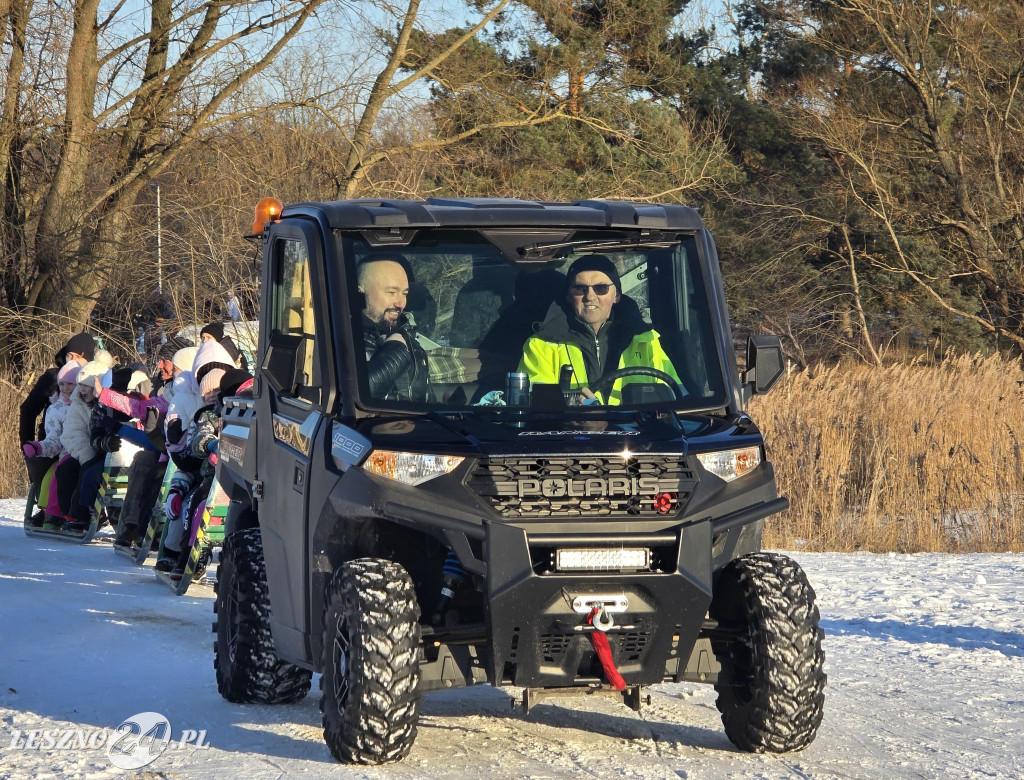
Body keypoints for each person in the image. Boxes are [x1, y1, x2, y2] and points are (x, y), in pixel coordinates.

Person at [518, 255, 680, 405]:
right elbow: (534, 409)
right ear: (568, 295)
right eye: (580, 288)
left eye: (600, 288)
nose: (590, 296)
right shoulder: (541, 346)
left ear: (616, 295)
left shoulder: (646, 341)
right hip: (568, 434)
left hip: (636, 435)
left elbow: (677, 399)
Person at [19, 333, 97, 525]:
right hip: (52, 441)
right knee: (46, 467)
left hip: (82, 442)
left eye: (79, 356)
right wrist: (28, 444)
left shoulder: (95, 379)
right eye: (70, 355)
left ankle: (70, 511)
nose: (73, 360)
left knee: (69, 467)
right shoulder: (54, 377)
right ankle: (47, 508)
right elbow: (28, 410)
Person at [357, 254, 427, 401]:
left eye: (405, 293)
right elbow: (356, 394)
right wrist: (395, 349)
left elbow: (422, 398)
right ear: (360, 293)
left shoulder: (407, 336)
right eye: (391, 292)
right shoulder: (340, 336)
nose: (401, 303)